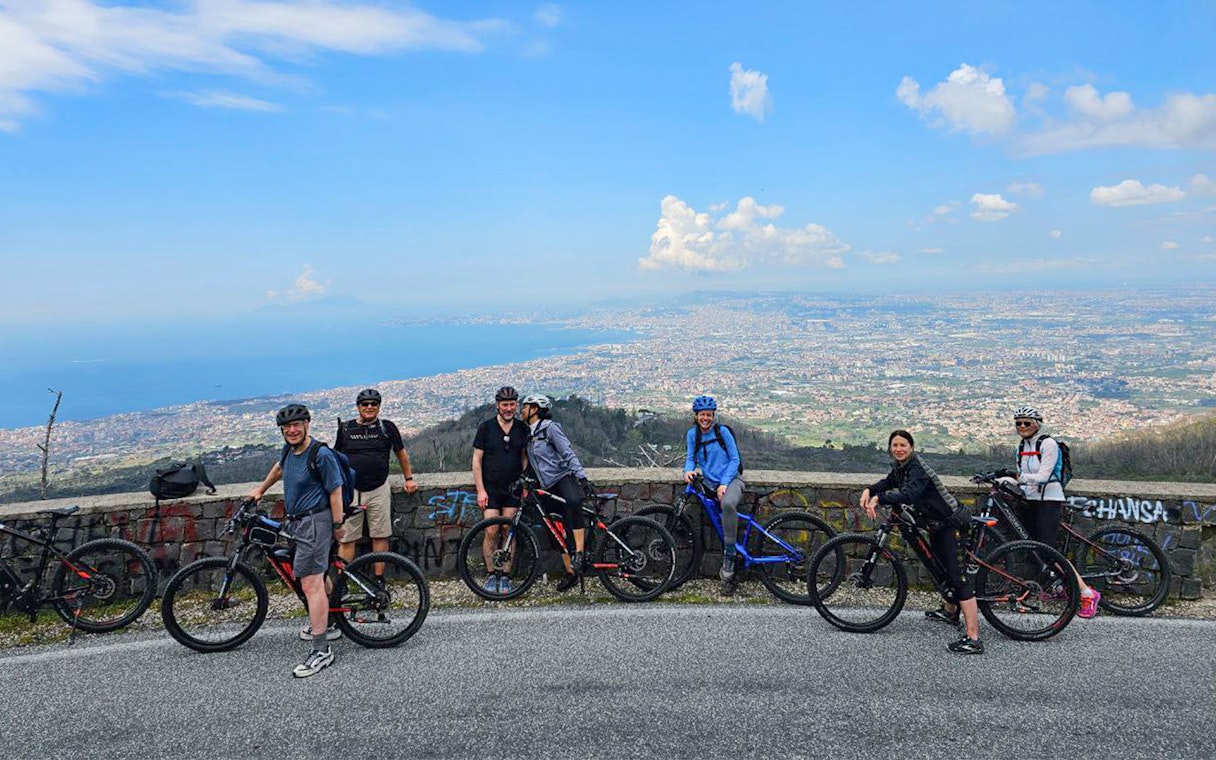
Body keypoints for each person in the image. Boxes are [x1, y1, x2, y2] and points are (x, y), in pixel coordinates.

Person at [860, 429, 984, 655]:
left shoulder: (916, 468)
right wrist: (870, 489)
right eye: (894, 445)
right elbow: (887, 482)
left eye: (903, 445)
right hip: (935, 523)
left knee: (957, 577)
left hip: (949, 523)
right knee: (941, 569)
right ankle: (950, 611)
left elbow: (910, 494)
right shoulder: (901, 467)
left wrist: (880, 499)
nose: (898, 449)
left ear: (912, 448)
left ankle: (973, 639)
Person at [247, 403, 346, 677]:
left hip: (316, 522)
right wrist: (261, 489)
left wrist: (338, 525)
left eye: (297, 425)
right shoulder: (289, 450)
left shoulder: (321, 454)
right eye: (287, 427)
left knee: (310, 583)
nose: (292, 430)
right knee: (319, 576)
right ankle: (333, 623)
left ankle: (321, 649)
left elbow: (335, 492)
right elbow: (279, 468)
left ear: (307, 425)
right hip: (297, 522)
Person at [1010, 405, 1100, 619]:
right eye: (1018, 423)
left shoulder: (1048, 444)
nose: (1022, 426)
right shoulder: (1021, 446)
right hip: (1030, 501)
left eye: (1027, 423)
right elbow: (1021, 475)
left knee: (1049, 550)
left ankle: (1088, 593)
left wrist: (1017, 477)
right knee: (1035, 549)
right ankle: (1058, 588)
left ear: (1037, 424)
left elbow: (1042, 476)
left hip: (1049, 500)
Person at [334, 389, 417, 588]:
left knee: (380, 535)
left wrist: (409, 478)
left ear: (379, 406)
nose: (369, 407)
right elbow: (335, 459)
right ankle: (342, 581)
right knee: (347, 538)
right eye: (365, 404)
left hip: (378, 488)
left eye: (374, 404)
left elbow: (401, 454)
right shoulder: (345, 429)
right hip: (351, 490)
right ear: (358, 407)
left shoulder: (387, 428)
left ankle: (379, 579)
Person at [519, 394, 591, 592]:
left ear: (535, 409)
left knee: (574, 503)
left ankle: (580, 553)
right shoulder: (527, 434)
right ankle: (570, 571)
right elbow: (529, 461)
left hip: (562, 478)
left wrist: (582, 477)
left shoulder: (550, 428)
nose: (521, 410)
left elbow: (567, 452)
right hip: (544, 485)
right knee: (555, 529)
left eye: (525, 407)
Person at [682, 395, 743, 596]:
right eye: (702, 415)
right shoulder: (693, 435)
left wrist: (724, 483)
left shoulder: (722, 432)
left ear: (713, 415)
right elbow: (690, 458)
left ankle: (730, 558)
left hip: (731, 481)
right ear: (696, 416)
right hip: (709, 484)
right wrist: (687, 470)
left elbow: (735, 459)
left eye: (708, 415)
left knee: (727, 505)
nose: (705, 418)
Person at [472, 386, 529, 593]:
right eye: (505, 404)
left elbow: (525, 456)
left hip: (513, 489)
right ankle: (490, 574)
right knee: (491, 531)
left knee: (508, 531)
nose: (508, 408)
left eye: (512, 404)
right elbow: (476, 460)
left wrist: (524, 481)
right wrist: (480, 490)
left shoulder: (522, 429)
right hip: (491, 488)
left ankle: (505, 575)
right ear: (497, 405)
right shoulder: (486, 428)